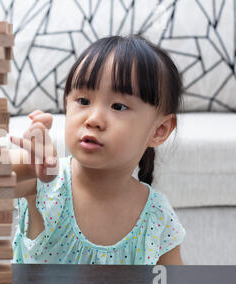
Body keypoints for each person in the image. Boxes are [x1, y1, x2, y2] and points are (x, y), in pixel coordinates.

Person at [10, 35, 186, 265]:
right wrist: (28, 164)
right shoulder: (46, 183)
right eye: (83, 101)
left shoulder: (157, 218)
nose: (93, 119)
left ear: (159, 130)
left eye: (118, 106)